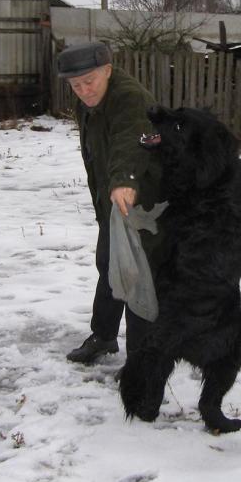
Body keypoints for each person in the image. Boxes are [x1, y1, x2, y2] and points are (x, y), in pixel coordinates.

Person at [57, 42, 165, 364]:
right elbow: (98, 153)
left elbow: (132, 140)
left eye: (89, 81)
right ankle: (104, 337)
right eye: (75, 85)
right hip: (115, 205)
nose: (83, 90)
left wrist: (123, 181)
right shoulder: (88, 103)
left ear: (107, 70)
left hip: (146, 203)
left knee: (137, 278)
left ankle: (142, 360)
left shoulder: (129, 98)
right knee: (108, 266)